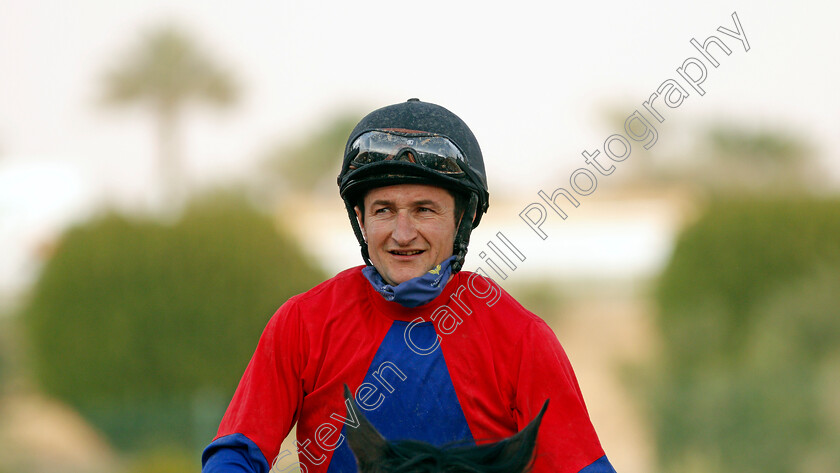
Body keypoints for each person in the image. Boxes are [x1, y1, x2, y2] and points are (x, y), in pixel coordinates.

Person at [201, 99, 616, 473]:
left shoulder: (522, 337)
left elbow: (584, 467)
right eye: (384, 210)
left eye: (424, 210)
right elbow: (236, 453)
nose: (403, 233)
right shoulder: (302, 323)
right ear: (361, 220)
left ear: (463, 219)